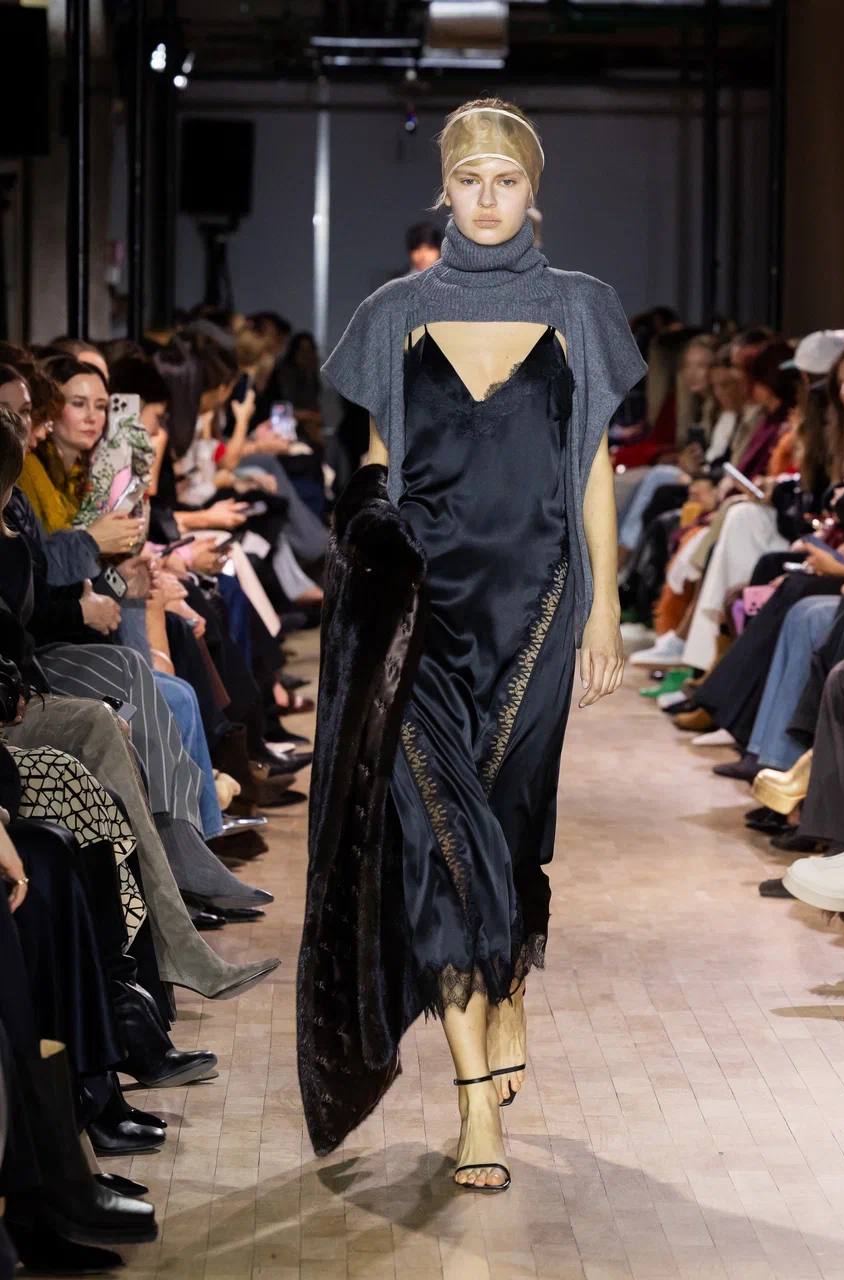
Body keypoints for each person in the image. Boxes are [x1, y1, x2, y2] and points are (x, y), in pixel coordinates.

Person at [299, 97, 646, 1190]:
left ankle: (506, 988)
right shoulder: (394, 313)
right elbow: (374, 463)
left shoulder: (581, 307)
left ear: (533, 193)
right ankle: (471, 1104)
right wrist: (361, 552)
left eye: (506, 180)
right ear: (443, 190)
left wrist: (606, 609)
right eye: (469, 179)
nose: (486, 198)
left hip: (538, 608)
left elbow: (592, 468)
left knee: (507, 828)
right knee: (438, 839)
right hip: (419, 615)